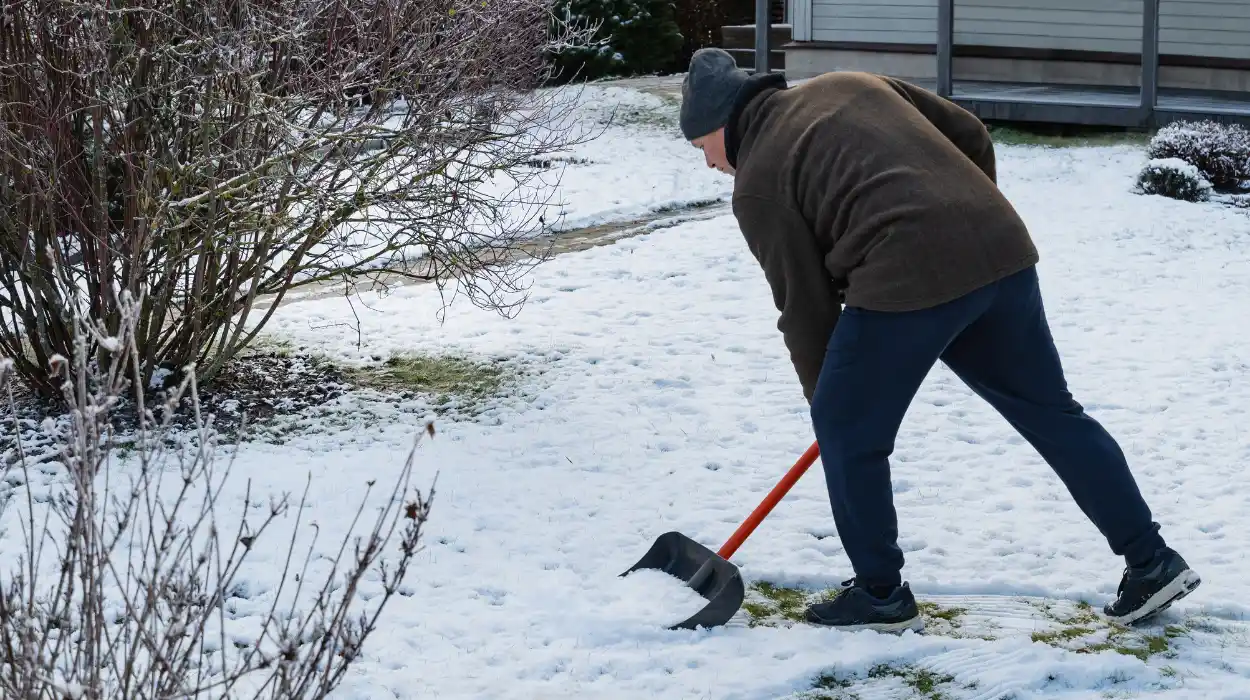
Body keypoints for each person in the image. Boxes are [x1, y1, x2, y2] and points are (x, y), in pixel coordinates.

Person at [677, 48, 1201, 633]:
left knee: (849, 433)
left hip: (907, 275)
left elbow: (803, 309)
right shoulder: (850, 82)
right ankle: (1151, 560)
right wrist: (964, 221)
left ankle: (879, 596)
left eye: (702, 148)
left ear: (722, 124)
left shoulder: (757, 185)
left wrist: (832, 405)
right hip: (1000, 252)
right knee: (1051, 411)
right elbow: (970, 133)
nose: (709, 165)